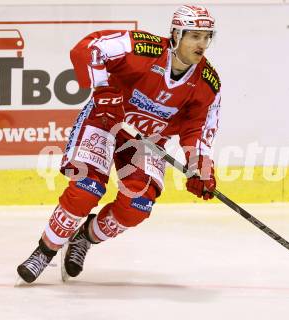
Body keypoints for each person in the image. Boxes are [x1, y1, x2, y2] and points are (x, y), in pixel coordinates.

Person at [17, 4, 221, 283]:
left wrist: (200, 167)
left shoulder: (208, 83)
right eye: (195, 36)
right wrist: (103, 89)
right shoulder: (143, 48)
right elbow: (88, 48)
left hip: (146, 142)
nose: (202, 44)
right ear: (176, 33)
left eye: (207, 37)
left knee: (137, 206)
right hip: (105, 121)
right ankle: (44, 251)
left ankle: (84, 238)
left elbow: (198, 128)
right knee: (86, 188)